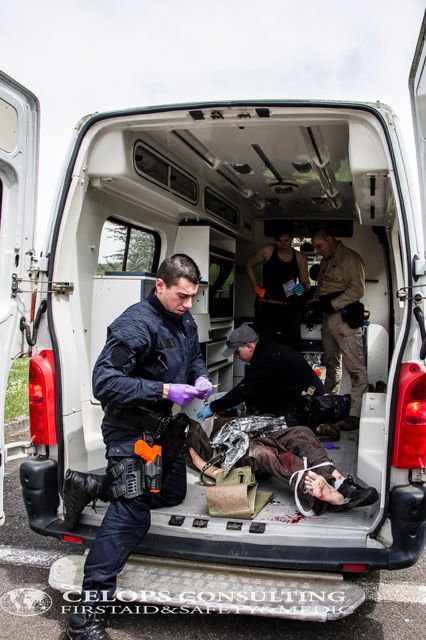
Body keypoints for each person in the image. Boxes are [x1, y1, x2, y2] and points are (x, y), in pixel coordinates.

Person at [64, 254, 213, 640]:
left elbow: (194, 354)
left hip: (163, 432)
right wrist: (164, 389)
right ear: (159, 286)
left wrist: (200, 377)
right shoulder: (135, 324)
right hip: (130, 431)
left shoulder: (183, 318)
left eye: (193, 297)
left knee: (172, 493)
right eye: (182, 296)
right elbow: (104, 383)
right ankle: (87, 613)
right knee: (133, 510)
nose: (188, 304)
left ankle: (93, 486)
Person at [187, 425, 379, 516]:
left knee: (301, 433)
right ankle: (322, 496)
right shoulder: (188, 437)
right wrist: (217, 473)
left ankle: (339, 483)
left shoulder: (216, 417)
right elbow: (204, 466)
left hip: (256, 435)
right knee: (267, 455)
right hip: (238, 455)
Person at [196, 323, 342, 439]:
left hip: (308, 400)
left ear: (249, 346)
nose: (236, 357)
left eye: (237, 352)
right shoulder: (267, 350)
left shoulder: (266, 358)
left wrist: (213, 407)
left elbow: (244, 389)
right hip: (296, 394)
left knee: (276, 432)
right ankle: (314, 424)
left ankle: (315, 426)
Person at [309, 228, 369, 431]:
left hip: (343, 316)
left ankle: (355, 414)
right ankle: (329, 404)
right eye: (315, 248)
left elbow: (357, 289)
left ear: (330, 238)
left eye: (319, 246)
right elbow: (322, 287)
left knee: (355, 367)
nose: (317, 251)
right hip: (328, 318)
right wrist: (314, 303)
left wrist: (332, 305)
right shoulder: (326, 261)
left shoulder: (350, 258)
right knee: (331, 364)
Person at [246, 224, 310, 349]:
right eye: (279, 241)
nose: (282, 244)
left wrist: (300, 288)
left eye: (286, 240)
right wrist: (256, 287)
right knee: (265, 345)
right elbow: (248, 265)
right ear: (275, 241)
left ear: (291, 239)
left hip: (289, 309)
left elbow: (306, 283)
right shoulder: (267, 251)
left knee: (291, 347)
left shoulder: (300, 257)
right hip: (267, 307)